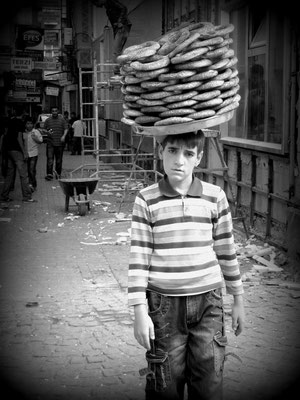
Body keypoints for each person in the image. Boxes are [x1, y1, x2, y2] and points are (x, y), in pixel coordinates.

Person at [128, 130, 245, 400]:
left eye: (188, 153)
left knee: (209, 384)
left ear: (199, 158)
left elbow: (227, 250)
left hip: (209, 305)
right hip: (163, 306)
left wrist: (238, 298)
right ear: (160, 152)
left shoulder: (215, 197)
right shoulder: (146, 199)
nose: (179, 160)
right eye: (172, 151)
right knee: (164, 385)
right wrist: (138, 311)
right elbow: (139, 257)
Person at [0, 109, 35, 203]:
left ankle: (4, 196)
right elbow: (19, 138)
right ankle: (27, 197)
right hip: (16, 150)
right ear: (23, 114)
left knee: (9, 174)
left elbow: (4, 136)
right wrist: (24, 152)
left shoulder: (9, 121)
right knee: (24, 174)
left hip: (7, 150)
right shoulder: (19, 123)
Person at [93, 0, 132, 74]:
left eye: (96, 3)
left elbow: (123, 8)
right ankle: (119, 69)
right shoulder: (107, 7)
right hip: (118, 28)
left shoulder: (111, 2)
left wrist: (120, 22)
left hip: (122, 26)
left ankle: (117, 71)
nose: (97, 5)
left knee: (116, 50)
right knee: (117, 50)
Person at [44, 107, 68, 180]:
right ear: (51, 112)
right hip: (50, 143)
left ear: (58, 111)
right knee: (50, 159)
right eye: (53, 111)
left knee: (59, 160)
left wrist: (64, 136)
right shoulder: (48, 120)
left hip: (60, 144)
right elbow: (44, 129)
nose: (54, 112)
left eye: (55, 111)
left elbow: (66, 128)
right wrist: (47, 132)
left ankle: (58, 174)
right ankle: (49, 174)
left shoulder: (62, 120)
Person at [23, 117, 43, 192]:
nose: (29, 125)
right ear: (25, 125)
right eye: (28, 124)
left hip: (33, 154)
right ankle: (29, 184)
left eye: (31, 123)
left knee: (31, 170)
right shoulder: (23, 132)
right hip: (25, 154)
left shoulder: (36, 132)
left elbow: (41, 141)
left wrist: (35, 138)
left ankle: (33, 184)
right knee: (27, 170)